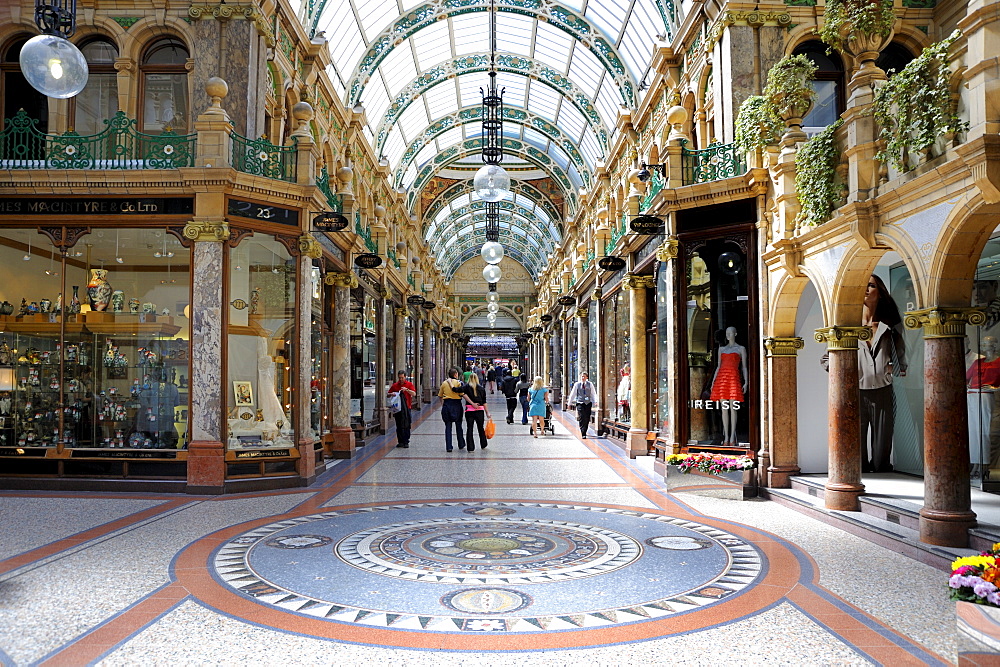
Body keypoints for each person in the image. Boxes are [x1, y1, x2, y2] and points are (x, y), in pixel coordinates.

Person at [709, 327, 748, 446]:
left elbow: (744, 367)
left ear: (735, 334)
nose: (728, 335)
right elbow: (718, 366)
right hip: (722, 378)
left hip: (733, 378)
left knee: (733, 408)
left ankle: (732, 436)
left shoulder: (741, 349)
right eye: (726, 333)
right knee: (724, 409)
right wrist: (713, 381)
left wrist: (746, 381)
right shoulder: (721, 349)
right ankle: (726, 436)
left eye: (730, 333)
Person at [438, 368, 467, 452]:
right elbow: (462, 394)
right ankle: (461, 444)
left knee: (448, 426)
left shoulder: (444, 383)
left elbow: (440, 396)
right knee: (459, 425)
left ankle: (449, 446)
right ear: (455, 374)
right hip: (457, 405)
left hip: (447, 404)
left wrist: (443, 405)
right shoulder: (458, 383)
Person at [387, 371, 416, 448]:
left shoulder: (409, 384)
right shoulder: (395, 385)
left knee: (406, 424)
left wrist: (407, 390)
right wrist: (391, 394)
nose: (401, 379)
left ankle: (406, 441)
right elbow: (388, 394)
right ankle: (400, 441)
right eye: (399, 378)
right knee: (399, 424)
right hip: (398, 409)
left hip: (407, 408)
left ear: (405, 377)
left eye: (402, 377)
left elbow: (414, 394)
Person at [463, 373, 490, 452]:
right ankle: (483, 443)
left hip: (469, 411)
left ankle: (470, 447)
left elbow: (459, 391)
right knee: (480, 428)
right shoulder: (481, 388)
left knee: (469, 428)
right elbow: (484, 402)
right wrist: (487, 412)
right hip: (480, 411)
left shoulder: (466, 387)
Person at [567, 371, 598, 439]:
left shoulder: (590, 384)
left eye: (584, 376)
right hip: (580, 403)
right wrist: (569, 403)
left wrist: (595, 401)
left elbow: (593, 393)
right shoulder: (577, 384)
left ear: (587, 377)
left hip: (588, 403)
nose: (582, 378)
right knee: (581, 416)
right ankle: (583, 432)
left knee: (587, 418)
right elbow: (573, 394)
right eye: (582, 376)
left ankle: (585, 429)